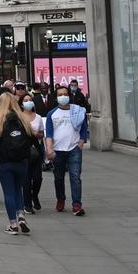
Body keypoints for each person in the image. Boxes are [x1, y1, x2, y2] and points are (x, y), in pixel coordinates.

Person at [0, 92, 36, 235]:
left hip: (3, 160)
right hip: (21, 161)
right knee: (18, 189)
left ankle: (13, 224)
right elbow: (32, 138)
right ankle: (21, 215)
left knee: (8, 192)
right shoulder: (22, 119)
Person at [45, 84, 89, 216]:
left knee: (75, 177)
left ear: (69, 96)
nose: (63, 97)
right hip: (58, 150)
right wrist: (49, 148)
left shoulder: (78, 111)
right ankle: (61, 199)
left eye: (65, 94)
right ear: (56, 97)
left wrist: (80, 143)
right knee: (58, 178)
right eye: (60, 95)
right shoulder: (52, 114)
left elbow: (83, 129)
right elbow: (49, 134)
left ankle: (77, 204)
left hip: (74, 149)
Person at [22, 94, 45, 213]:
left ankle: (34, 195)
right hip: (23, 150)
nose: (28, 102)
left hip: (36, 150)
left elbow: (42, 134)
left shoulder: (38, 117)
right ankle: (27, 204)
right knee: (26, 178)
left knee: (37, 178)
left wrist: (35, 133)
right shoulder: (18, 116)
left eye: (30, 100)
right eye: (25, 101)